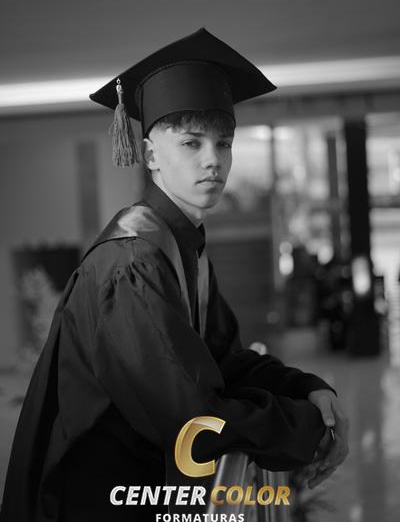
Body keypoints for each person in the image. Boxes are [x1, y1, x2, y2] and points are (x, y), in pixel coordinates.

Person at [1, 28, 349, 522]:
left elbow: (224, 362)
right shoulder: (132, 264)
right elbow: (191, 418)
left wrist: (308, 388)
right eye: (191, 143)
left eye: (223, 143)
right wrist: (308, 428)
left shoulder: (182, 247)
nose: (213, 160)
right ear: (149, 156)